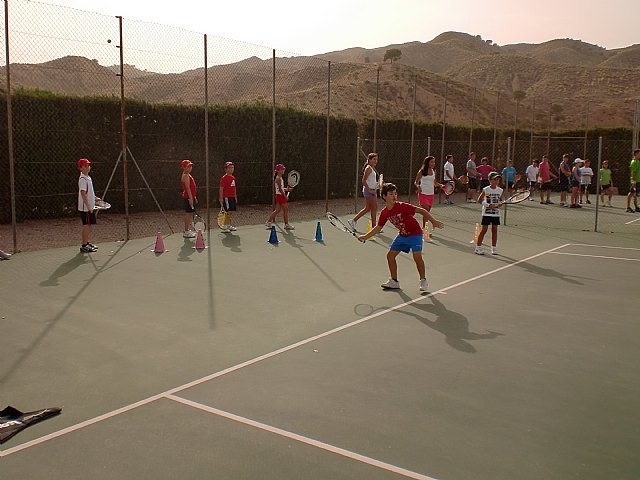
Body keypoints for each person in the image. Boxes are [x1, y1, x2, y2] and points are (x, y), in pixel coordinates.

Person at [357, 183, 444, 292]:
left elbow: (421, 210)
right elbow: (378, 227)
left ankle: (423, 280)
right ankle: (394, 281)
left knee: (417, 257)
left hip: (415, 233)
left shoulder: (402, 206)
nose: (394, 196)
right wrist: (365, 236)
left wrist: (434, 221)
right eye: (391, 194)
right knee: (390, 256)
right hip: (403, 235)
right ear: (384, 196)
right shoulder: (384, 213)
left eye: (395, 194)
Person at [475, 172, 503, 255]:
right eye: (495, 179)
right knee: (484, 230)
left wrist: (500, 203)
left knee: (494, 230)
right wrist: (488, 205)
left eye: (498, 179)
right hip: (486, 214)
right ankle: (478, 248)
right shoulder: (486, 189)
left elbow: (500, 200)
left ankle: (493, 248)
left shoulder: (500, 190)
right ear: (490, 180)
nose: (496, 181)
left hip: (496, 214)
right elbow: (479, 200)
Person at [349, 153, 379, 231]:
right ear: (369, 160)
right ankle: (374, 226)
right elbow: (363, 180)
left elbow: (371, 180)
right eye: (374, 159)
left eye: (376, 159)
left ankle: (353, 221)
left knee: (368, 208)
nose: (375, 161)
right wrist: (369, 190)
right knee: (374, 207)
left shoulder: (371, 168)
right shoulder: (368, 168)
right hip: (369, 191)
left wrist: (377, 185)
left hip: (371, 190)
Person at [77, 158, 101, 253]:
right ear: (80, 168)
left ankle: (87, 243)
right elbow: (83, 193)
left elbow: (89, 192)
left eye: (88, 166)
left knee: (89, 225)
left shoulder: (88, 177)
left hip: (90, 206)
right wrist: (88, 207)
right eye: (85, 166)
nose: (87, 168)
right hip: (85, 208)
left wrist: (95, 198)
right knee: (86, 225)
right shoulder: (82, 179)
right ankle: (83, 246)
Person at [414, 156, 442, 237]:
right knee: (425, 211)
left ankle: (424, 228)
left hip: (431, 194)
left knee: (427, 213)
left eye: (434, 162)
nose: (433, 163)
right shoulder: (421, 171)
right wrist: (418, 186)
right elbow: (416, 182)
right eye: (431, 162)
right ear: (427, 163)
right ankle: (424, 229)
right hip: (423, 194)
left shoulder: (434, 171)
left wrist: (441, 185)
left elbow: (435, 183)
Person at [266, 163, 295, 230]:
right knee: (286, 210)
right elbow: (280, 189)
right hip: (280, 196)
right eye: (282, 169)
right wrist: (285, 196)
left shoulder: (279, 178)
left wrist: (287, 189)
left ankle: (268, 222)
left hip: (278, 195)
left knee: (277, 210)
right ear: (278, 170)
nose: (283, 170)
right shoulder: (278, 178)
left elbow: (280, 188)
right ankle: (286, 225)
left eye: (283, 169)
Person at [180, 159, 197, 238]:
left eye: (190, 166)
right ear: (183, 167)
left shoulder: (188, 175)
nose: (190, 168)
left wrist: (194, 197)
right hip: (188, 198)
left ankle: (187, 230)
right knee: (188, 213)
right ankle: (186, 231)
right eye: (188, 166)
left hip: (190, 197)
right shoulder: (186, 175)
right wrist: (190, 199)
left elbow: (191, 188)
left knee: (189, 213)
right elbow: (188, 188)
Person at [219, 161, 238, 232]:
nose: (231, 169)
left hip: (232, 197)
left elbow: (234, 188)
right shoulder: (224, 178)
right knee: (228, 211)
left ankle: (228, 225)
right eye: (229, 168)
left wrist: (235, 196)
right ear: (225, 169)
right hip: (226, 197)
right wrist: (221, 198)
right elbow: (221, 188)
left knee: (230, 212)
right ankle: (225, 226)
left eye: (232, 168)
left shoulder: (233, 178)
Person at [626, 149, 640, 213]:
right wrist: (634, 181)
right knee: (631, 193)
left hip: (638, 180)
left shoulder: (638, 161)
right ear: (636, 154)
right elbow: (633, 172)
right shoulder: (634, 162)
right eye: (639, 153)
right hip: (635, 181)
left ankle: (636, 207)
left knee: (635, 194)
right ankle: (628, 207)